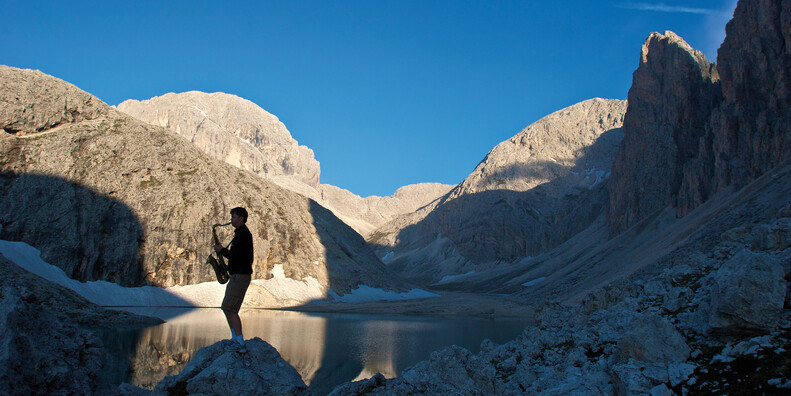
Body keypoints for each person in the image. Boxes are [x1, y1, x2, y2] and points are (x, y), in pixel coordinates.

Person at [214, 207, 254, 353]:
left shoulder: (243, 234)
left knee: (231, 309)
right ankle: (235, 339)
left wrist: (221, 251)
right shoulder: (240, 234)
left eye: (234, 216)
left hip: (241, 276)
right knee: (227, 307)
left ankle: (240, 343)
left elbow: (236, 256)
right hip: (237, 275)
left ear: (241, 218)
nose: (231, 219)